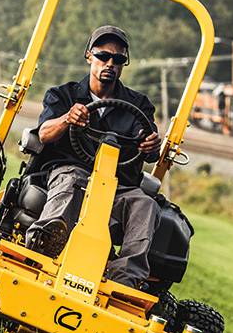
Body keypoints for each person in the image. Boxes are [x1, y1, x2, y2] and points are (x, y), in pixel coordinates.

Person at [25, 25, 162, 289]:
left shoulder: (138, 105)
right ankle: (44, 246)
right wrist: (67, 118)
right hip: (70, 172)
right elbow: (44, 134)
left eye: (118, 59)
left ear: (123, 64)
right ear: (89, 56)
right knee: (73, 181)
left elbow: (149, 146)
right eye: (103, 56)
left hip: (116, 186)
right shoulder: (62, 95)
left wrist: (150, 145)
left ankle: (124, 281)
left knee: (145, 204)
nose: (110, 63)